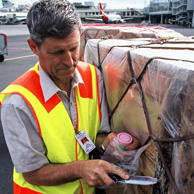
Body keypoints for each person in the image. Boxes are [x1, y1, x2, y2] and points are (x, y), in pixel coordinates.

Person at [0, 0, 140, 194]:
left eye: (74, 48)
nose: (69, 61)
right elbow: (31, 173)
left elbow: (95, 136)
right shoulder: (18, 102)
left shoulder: (93, 76)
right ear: (33, 47)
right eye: (57, 52)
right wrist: (80, 169)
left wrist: (108, 142)